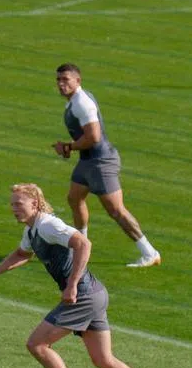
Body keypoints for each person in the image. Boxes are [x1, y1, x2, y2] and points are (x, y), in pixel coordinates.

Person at [0, 183, 173, 368]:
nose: (14, 209)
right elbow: (22, 254)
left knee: (37, 344)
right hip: (94, 294)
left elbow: (83, 244)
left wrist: (71, 285)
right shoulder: (32, 231)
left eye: (19, 204)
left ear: (36, 204)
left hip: (83, 295)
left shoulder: (49, 225)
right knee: (103, 359)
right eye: (12, 204)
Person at [52, 63, 161, 268]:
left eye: (65, 79)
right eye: (58, 80)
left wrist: (68, 147)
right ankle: (81, 246)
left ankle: (149, 252)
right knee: (74, 199)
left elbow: (94, 136)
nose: (60, 84)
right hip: (88, 161)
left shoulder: (82, 103)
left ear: (78, 81)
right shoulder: (75, 100)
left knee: (116, 211)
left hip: (100, 162)